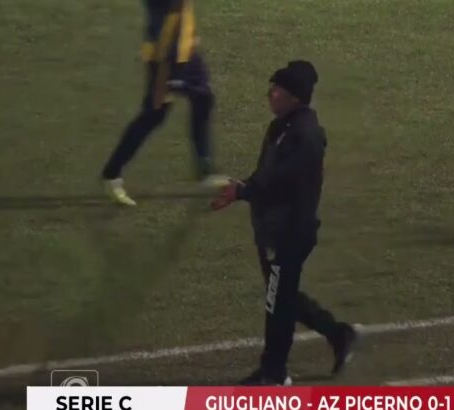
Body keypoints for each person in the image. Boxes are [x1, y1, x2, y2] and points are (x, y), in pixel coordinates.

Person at [211, 60, 357, 386]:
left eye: (277, 89)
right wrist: (241, 189)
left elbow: (281, 182)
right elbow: (266, 175)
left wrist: (242, 192)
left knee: (277, 302)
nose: (270, 94)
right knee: (282, 296)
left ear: (294, 97)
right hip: (273, 229)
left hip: (289, 234)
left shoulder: (304, 136)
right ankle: (338, 334)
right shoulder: (280, 128)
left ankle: (274, 373)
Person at [102, 0, 228, 207]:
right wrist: (166, 72)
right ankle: (111, 174)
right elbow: (166, 24)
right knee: (154, 114)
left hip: (184, 49)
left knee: (203, 98)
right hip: (167, 56)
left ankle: (205, 167)